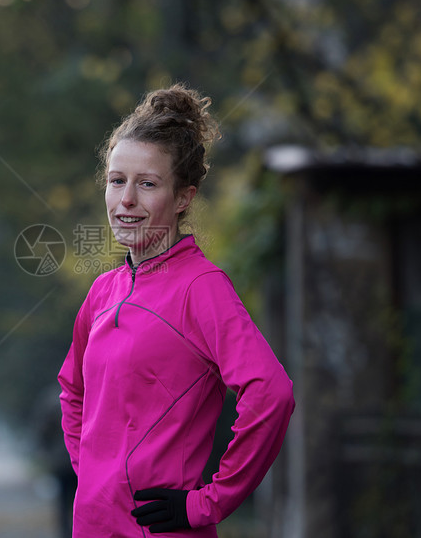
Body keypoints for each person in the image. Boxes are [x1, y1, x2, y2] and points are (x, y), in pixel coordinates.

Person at [57, 84, 295, 537]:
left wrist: (208, 502)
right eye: (116, 180)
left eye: (147, 184)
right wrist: (93, 475)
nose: (126, 200)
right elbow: (72, 390)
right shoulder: (102, 292)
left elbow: (272, 394)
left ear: (183, 198)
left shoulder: (202, 288)